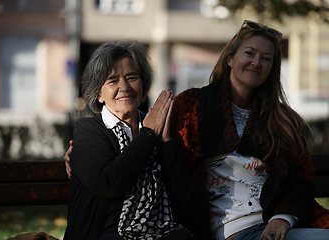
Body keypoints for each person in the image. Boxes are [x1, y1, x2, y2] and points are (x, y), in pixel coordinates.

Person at [65, 21, 329, 240]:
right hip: (116, 233)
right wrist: (80, 155)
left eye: (132, 78)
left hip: (258, 226)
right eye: (249, 53)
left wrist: (283, 218)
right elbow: (109, 178)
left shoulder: (282, 120)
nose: (124, 86)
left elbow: (300, 179)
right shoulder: (186, 109)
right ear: (229, 58)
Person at [63, 40, 210, 240]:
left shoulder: (159, 127)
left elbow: (187, 203)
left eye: (132, 77)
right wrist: (149, 135)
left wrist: (165, 143)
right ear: (99, 94)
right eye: (113, 80)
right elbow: (110, 183)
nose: (125, 87)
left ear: (143, 84)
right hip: (106, 234)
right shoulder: (89, 130)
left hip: (160, 230)